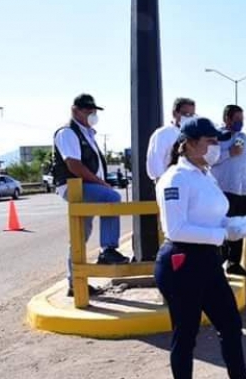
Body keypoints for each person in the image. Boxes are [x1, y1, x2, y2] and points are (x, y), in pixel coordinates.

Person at [154, 117, 246, 379]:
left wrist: (236, 227)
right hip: (182, 263)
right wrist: (223, 236)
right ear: (190, 144)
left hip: (208, 261)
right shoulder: (175, 178)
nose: (215, 148)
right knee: (186, 336)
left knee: (230, 323)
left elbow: (212, 218)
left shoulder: (204, 175)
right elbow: (177, 228)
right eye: (210, 142)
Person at [53, 94, 129, 296]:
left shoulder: (88, 134)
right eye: (87, 110)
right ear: (74, 110)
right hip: (75, 186)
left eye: (93, 110)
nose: (91, 114)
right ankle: (108, 250)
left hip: (85, 186)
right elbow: (73, 165)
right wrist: (101, 183)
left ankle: (74, 283)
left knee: (80, 237)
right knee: (112, 197)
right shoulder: (68, 133)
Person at [211, 105, 246, 277]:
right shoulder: (217, 138)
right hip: (224, 191)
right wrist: (229, 153)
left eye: (242, 120)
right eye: (237, 119)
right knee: (223, 229)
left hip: (242, 192)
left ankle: (234, 263)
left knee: (239, 229)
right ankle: (217, 264)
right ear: (227, 119)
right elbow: (209, 160)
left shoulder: (243, 137)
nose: (240, 123)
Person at [146, 97, 196, 181]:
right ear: (174, 113)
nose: (189, 118)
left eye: (192, 115)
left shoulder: (194, 134)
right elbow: (156, 163)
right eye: (185, 114)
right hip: (170, 182)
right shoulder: (163, 134)